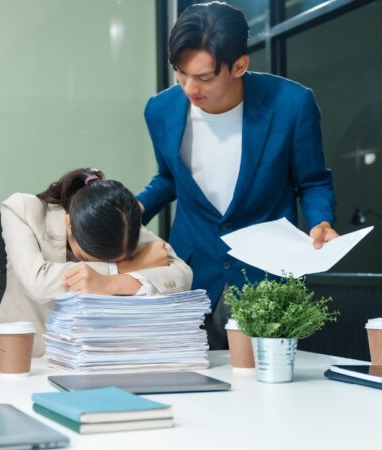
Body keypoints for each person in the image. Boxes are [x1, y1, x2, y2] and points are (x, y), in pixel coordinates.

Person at [136, 2, 338, 349]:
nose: (189, 88)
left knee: (264, 388)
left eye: (203, 77)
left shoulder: (291, 104)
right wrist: (135, 208)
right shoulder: (160, 110)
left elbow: (313, 181)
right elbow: (171, 177)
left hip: (264, 274)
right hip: (192, 272)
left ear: (239, 65)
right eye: (180, 73)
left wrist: (320, 221)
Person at [0, 168, 193, 359]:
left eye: (113, 259)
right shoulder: (22, 209)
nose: (100, 263)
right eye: (90, 257)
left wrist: (110, 284)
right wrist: (120, 269)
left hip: (95, 360)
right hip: (24, 357)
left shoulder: (121, 220)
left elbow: (182, 274)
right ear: (69, 223)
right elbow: (38, 282)